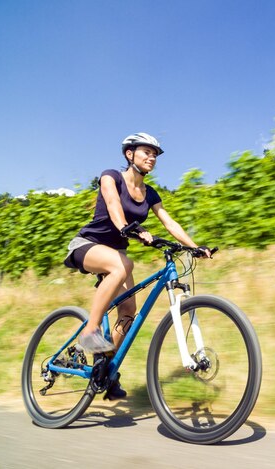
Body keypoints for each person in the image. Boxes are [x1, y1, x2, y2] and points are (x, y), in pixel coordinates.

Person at [64, 132, 209, 400]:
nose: (152, 157)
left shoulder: (150, 193)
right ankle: (90, 330)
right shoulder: (111, 176)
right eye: (146, 152)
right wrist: (127, 228)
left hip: (116, 252)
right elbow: (112, 204)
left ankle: (104, 370)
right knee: (123, 266)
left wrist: (195, 246)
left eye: (155, 154)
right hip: (87, 245)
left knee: (128, 313)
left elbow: (169, 222)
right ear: (130, 154)